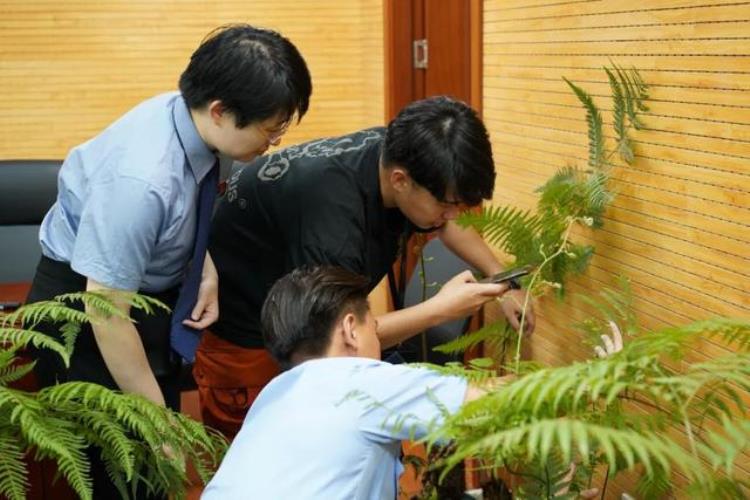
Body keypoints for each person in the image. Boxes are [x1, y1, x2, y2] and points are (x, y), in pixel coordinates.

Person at [26, 24, 311, 498]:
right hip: (83, 320)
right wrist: (160, 426)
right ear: (221, 111)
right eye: (270, 131)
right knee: (121, 473)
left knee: (156, 469)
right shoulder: (141, 180)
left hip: (135, 301)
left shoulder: (189, 120)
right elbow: (105, 310)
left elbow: (185, 212)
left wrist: (205, 266)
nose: (271, 144)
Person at [197, 96, 537, 438]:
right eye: (448, 205)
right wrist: (439, 310)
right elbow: (338, 340)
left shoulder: (398, 151)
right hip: (242, 335)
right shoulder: (333, 226)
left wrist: (500, 278)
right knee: (262, 454)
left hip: (293, 303)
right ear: (401, 180)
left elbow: (448, 221)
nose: (453, 216)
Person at [202, 266, 620, 499]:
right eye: (374, 326)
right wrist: (597, 377)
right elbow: (498, 401)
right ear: (351, 329)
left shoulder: (273, 395)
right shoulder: (362, 382)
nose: (378, 337)